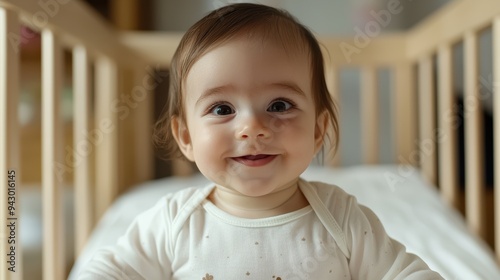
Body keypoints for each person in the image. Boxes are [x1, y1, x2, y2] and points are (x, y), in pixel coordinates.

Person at [79, 3, 443, 279]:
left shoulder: (341, 217)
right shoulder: (173, 222)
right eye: (222, 108)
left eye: (279, 105)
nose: (252, 128)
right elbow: (109, 271)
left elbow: (406, 273)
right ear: (186, 137)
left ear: (318, 131)